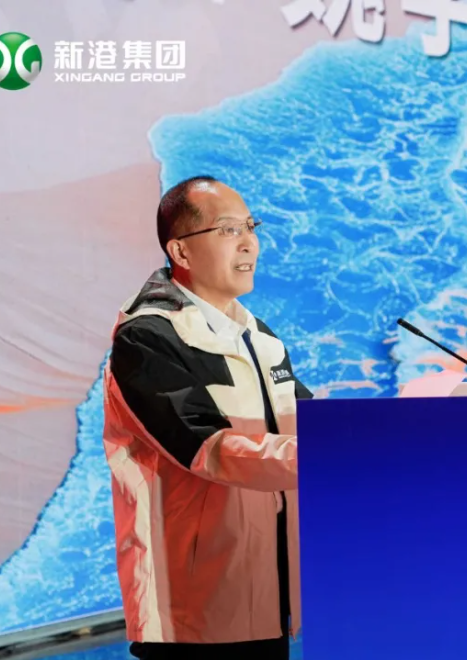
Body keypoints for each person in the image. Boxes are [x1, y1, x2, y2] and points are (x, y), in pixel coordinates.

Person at [102, 176, 311, 659]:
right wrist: (328, 457)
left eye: (251, 227)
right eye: (228, 229)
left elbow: (308, 421)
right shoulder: (148, 339)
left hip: (266, 591)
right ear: (181, 250)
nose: (249, 243)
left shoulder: (259, 336)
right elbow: (209, 450)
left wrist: (373, 438)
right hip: (194, 607)